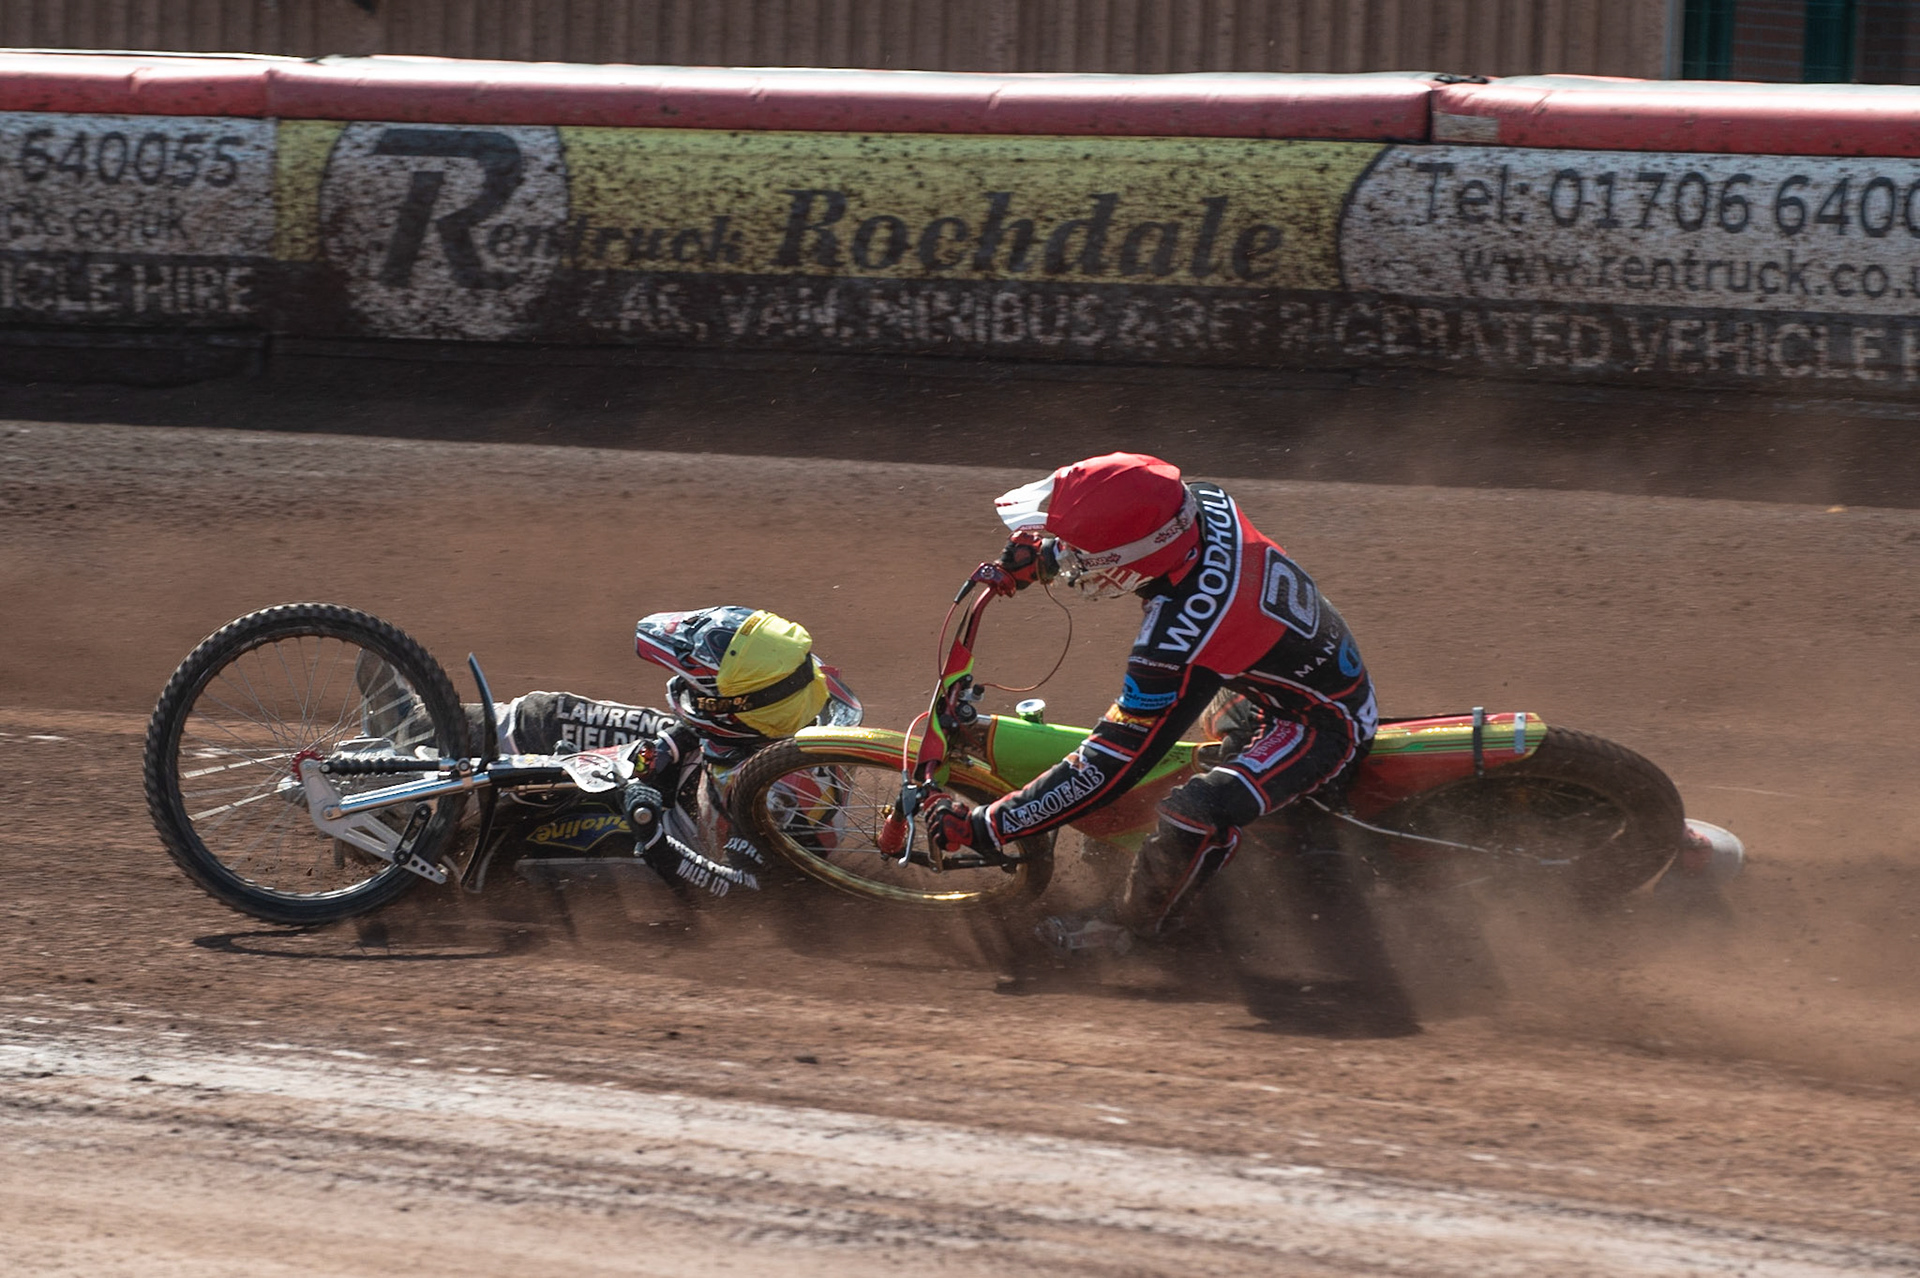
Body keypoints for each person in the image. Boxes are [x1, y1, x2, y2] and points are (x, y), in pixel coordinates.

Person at [920, 453, 1379, 954]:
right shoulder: (1200, 500)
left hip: (1319, 721)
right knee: (1178, 736)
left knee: (1191, 807)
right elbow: (1136, 528)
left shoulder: (1177, 638)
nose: (1071, 553)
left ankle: (1129, 927)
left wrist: (989, 826)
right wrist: (1048, 560)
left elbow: (1109, 764)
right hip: (1284, 672)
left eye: (1077, 550)